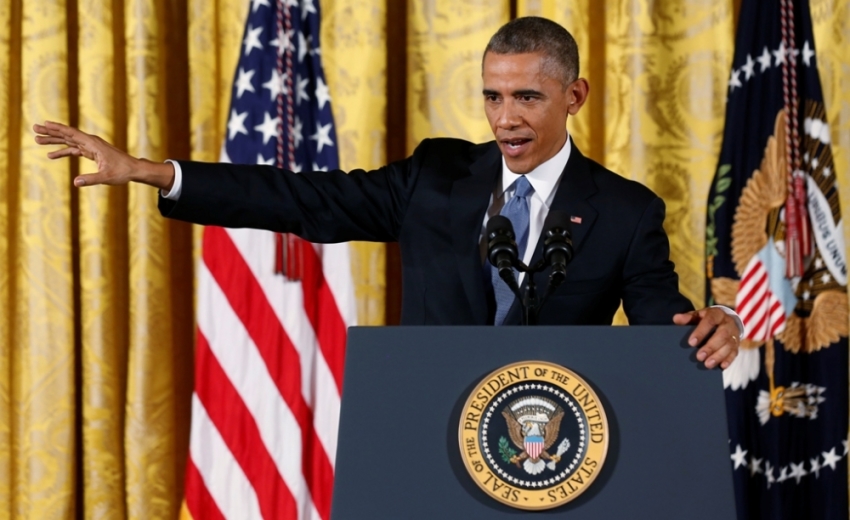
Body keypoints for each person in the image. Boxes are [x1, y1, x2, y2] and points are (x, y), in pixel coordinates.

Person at [34, 17, 741, 369]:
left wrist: (712, 328)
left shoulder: (625, 209)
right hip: (427, 436)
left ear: (574, 95)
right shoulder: (436, 178)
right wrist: (157, 173)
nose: (505, 118)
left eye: (527, 96)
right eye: (493, 96)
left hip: (552, 447)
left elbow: (661, 322)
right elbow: (302, 200)